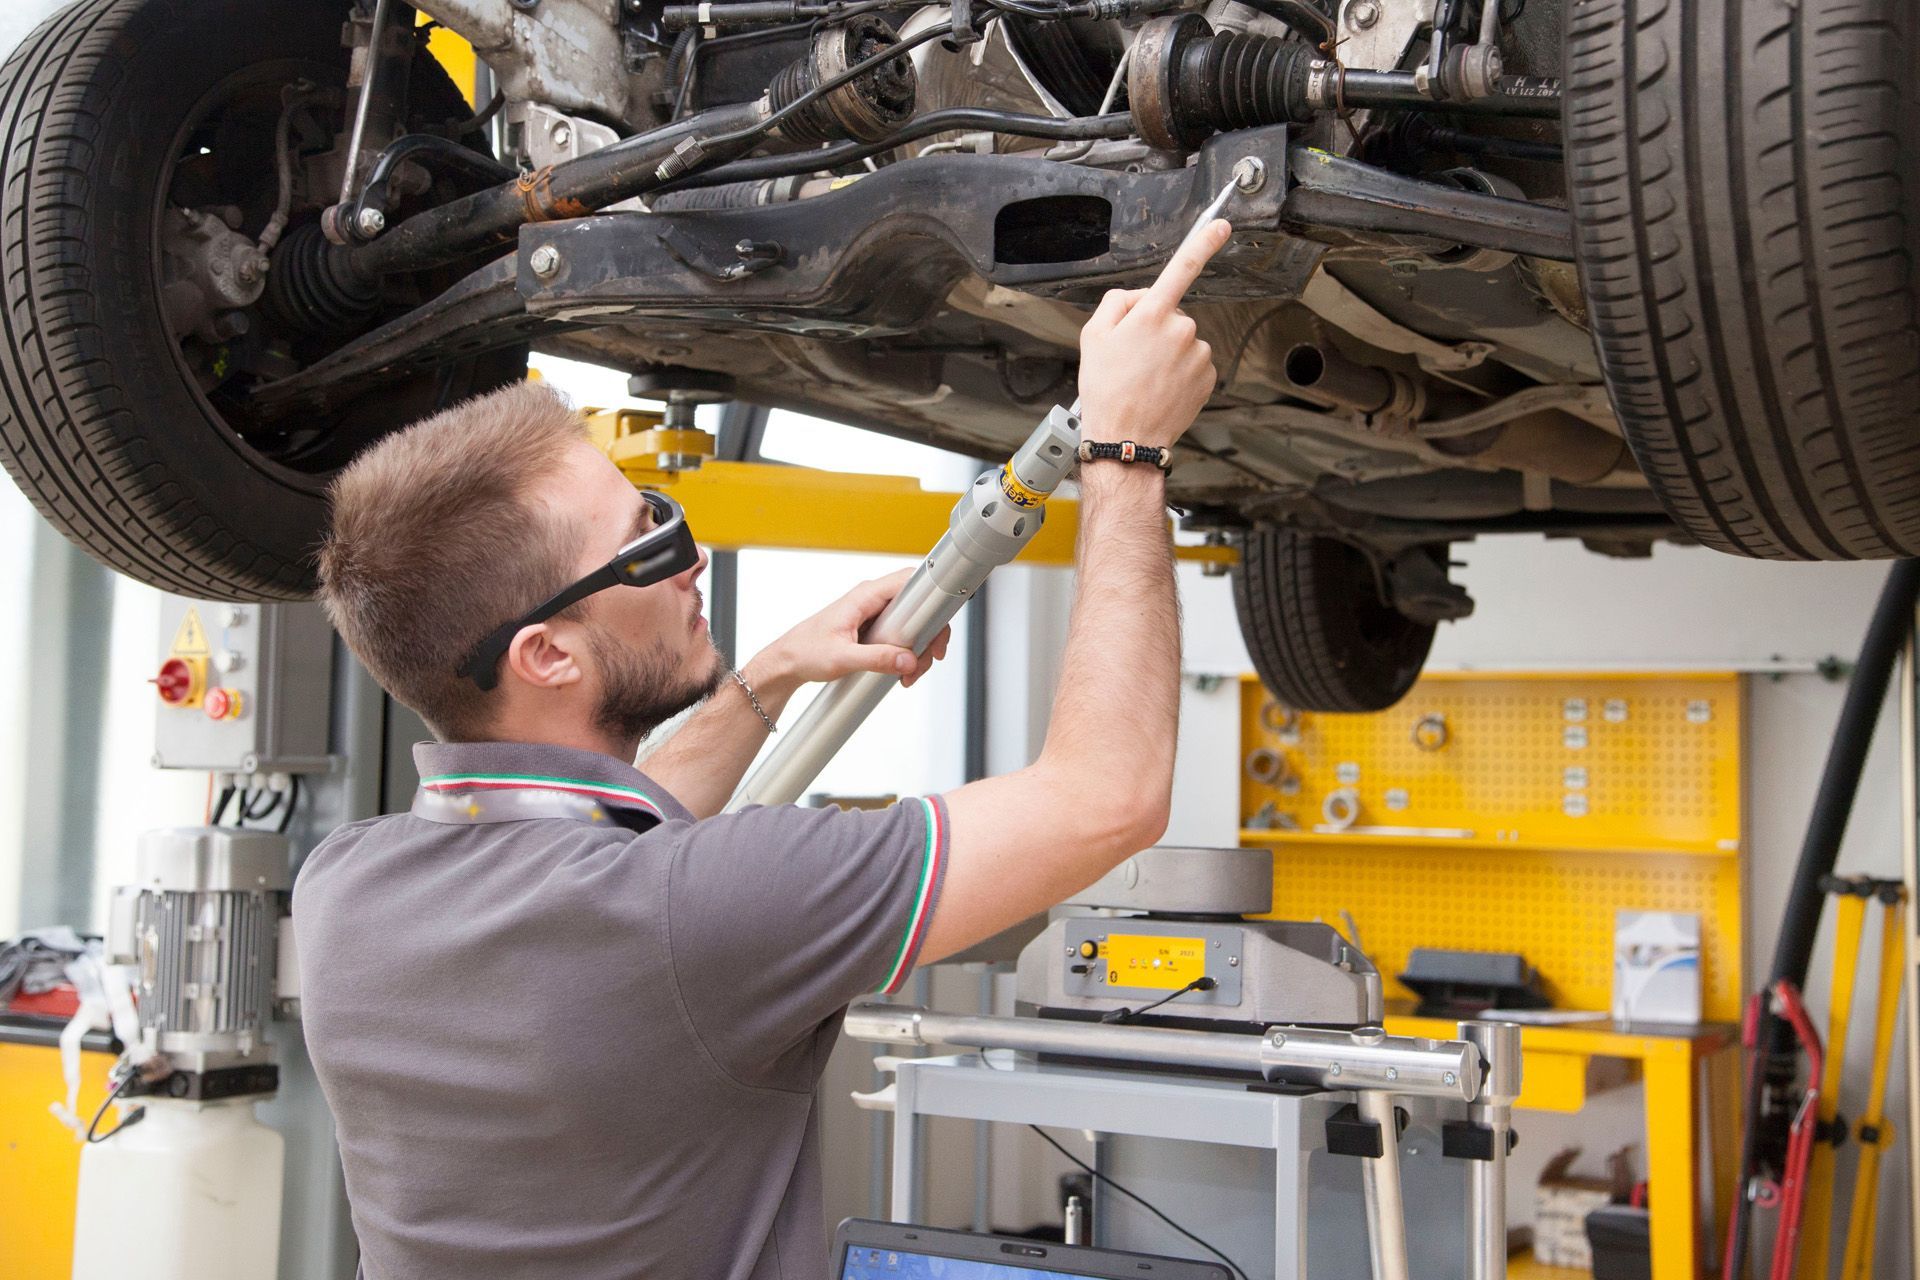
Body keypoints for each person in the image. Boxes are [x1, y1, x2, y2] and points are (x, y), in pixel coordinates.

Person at [293, 218, 1231, 1280]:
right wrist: (1128, 451)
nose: (689, 555)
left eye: (661, 508)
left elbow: (618, 842)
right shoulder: (704, 909)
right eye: (644, 543)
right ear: (547, 653)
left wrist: (772, 673)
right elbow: (1105, 795)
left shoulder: (346, 892)